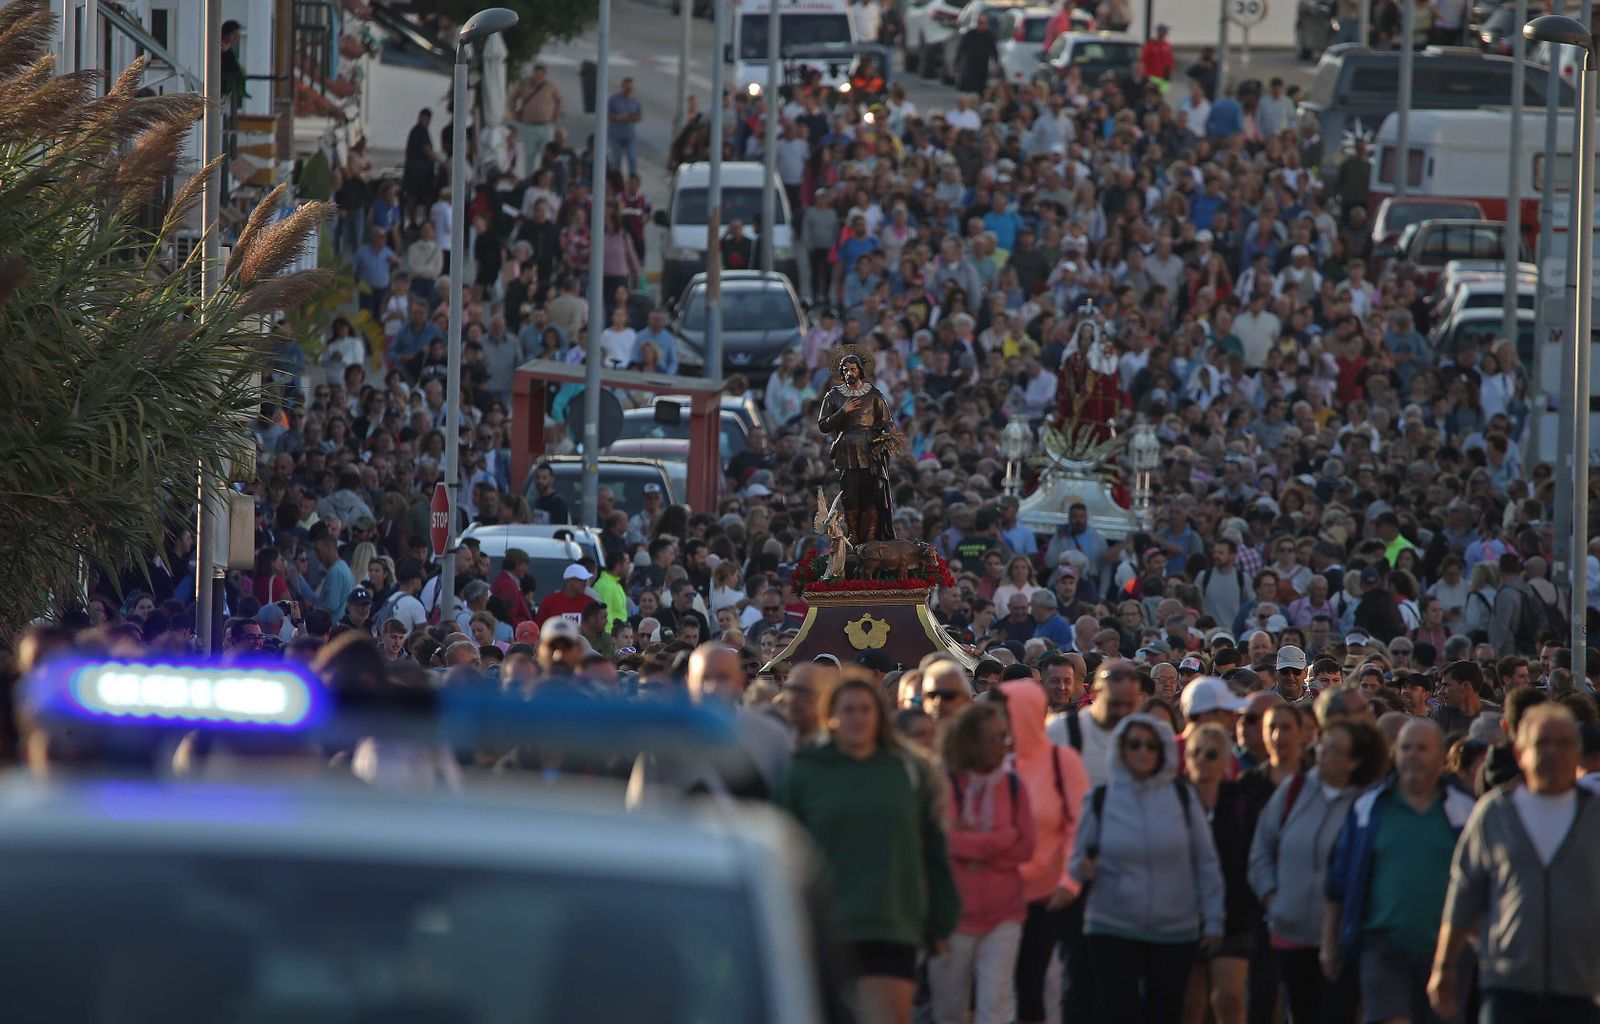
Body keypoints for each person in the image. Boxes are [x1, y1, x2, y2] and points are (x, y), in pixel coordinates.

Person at [776, 674, 961, 1024]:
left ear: (880, 716)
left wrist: (941, 917)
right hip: (825, 928)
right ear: (831, 716)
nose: (858, 718)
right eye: (848, 710)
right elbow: (782, 849)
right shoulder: (804, 773)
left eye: (865, 709)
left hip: (890, 922)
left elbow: (933, 849)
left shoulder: (908, 770)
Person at [1432, 704, 1600, 1023]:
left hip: (1583, 985)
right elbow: (1464, 893)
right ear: (1521, 753)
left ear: (1578, 753)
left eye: (1564, 743)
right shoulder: (1495, 813)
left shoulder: (1594, 813)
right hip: (1508, 983)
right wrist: (1445, 966)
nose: (1553, 752)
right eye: (1542, 743)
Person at [1071, 713, 1225, 1024]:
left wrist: (1213, 920)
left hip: (1173, 927)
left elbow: (1205, 861)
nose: (1143, 752)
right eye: (1134, 745)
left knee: (1165, 1011)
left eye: (1151, 746)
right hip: (1111, 923)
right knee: (1117, 1010)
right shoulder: (1100, 798)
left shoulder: (1182, 796)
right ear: (1121, 749)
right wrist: (1081, 867)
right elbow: (1073, 860)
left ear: (1163, 751)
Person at [1324, 719, 1477, 1024]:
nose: (1413, 755)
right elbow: (1338, 879)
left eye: (1423, 748)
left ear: (1441, 756)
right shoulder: (1369, 807)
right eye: (1406, 747)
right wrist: (1329, 943)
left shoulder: (1465, 810)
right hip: (1383, 947)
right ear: (1395, 754)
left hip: (1448, 951)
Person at [1249, 718, 1386, 1024]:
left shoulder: (1367, 805)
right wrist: (1272, 898)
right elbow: (1261, 850)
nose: (1323, 752)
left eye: (1335, 750)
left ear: (1353, 762)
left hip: (1343, 940)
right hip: (1290, 931)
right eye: (1323, 744)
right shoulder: (1294, 790)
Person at [926, 701, 1036, 1024]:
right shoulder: (942, 785)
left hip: (1003, 912)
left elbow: (1025, 847)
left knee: (996, 1005)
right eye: (993, 738)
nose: (1002, 746)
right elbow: (945, 843)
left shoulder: (1014, 786)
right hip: (951, 915)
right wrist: (1001, 838)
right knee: (949, 1009)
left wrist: (972, 844)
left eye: (1004, 736)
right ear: (970, 742)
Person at [996, 677, 1088, 1024]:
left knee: (1041, 986)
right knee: (1000, 987)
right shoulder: (994, 762)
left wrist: (1068, 880)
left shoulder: (1061, 761)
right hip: (1000, 895)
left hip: (1050, 896)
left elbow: (1077, 824)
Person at [817, 345, 900, 542]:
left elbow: (887, 422)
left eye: (852, 369)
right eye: (845, 370)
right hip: (846, 449)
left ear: (860, 370)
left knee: (871, 495)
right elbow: (823, 425)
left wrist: (885, 437)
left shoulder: (874, 395)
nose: (849, 373)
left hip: (870, 449)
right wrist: (842, 412)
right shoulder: (834, 396)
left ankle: (871, 533)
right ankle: (853, 532)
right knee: (850, 495)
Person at [510, 64, 562, 175]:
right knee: (530, 154)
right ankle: (529, 177)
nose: (537, 77)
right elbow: (513, 97)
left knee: (547, 154)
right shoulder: (524, 85)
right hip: (529, 125)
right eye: (536, 74)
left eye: (540, 75)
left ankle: (545, 176)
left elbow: (559, 100)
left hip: (545, 125)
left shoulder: (550, 86)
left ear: (544, 75)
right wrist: (515, 114)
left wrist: (555, 116)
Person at [606, 76, 643, 178]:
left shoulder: (634, 101)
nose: (628, 91)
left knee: (632, 158)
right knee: (616, 160)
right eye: (627, 88)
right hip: (616, 135)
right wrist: (618, 117)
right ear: (622, 87)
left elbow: (639, 117)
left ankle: (632, 179)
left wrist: (630, 117)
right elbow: (607, 115)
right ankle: (616, 181)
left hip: (630, 136)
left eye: (630, 89)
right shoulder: (614, 100)